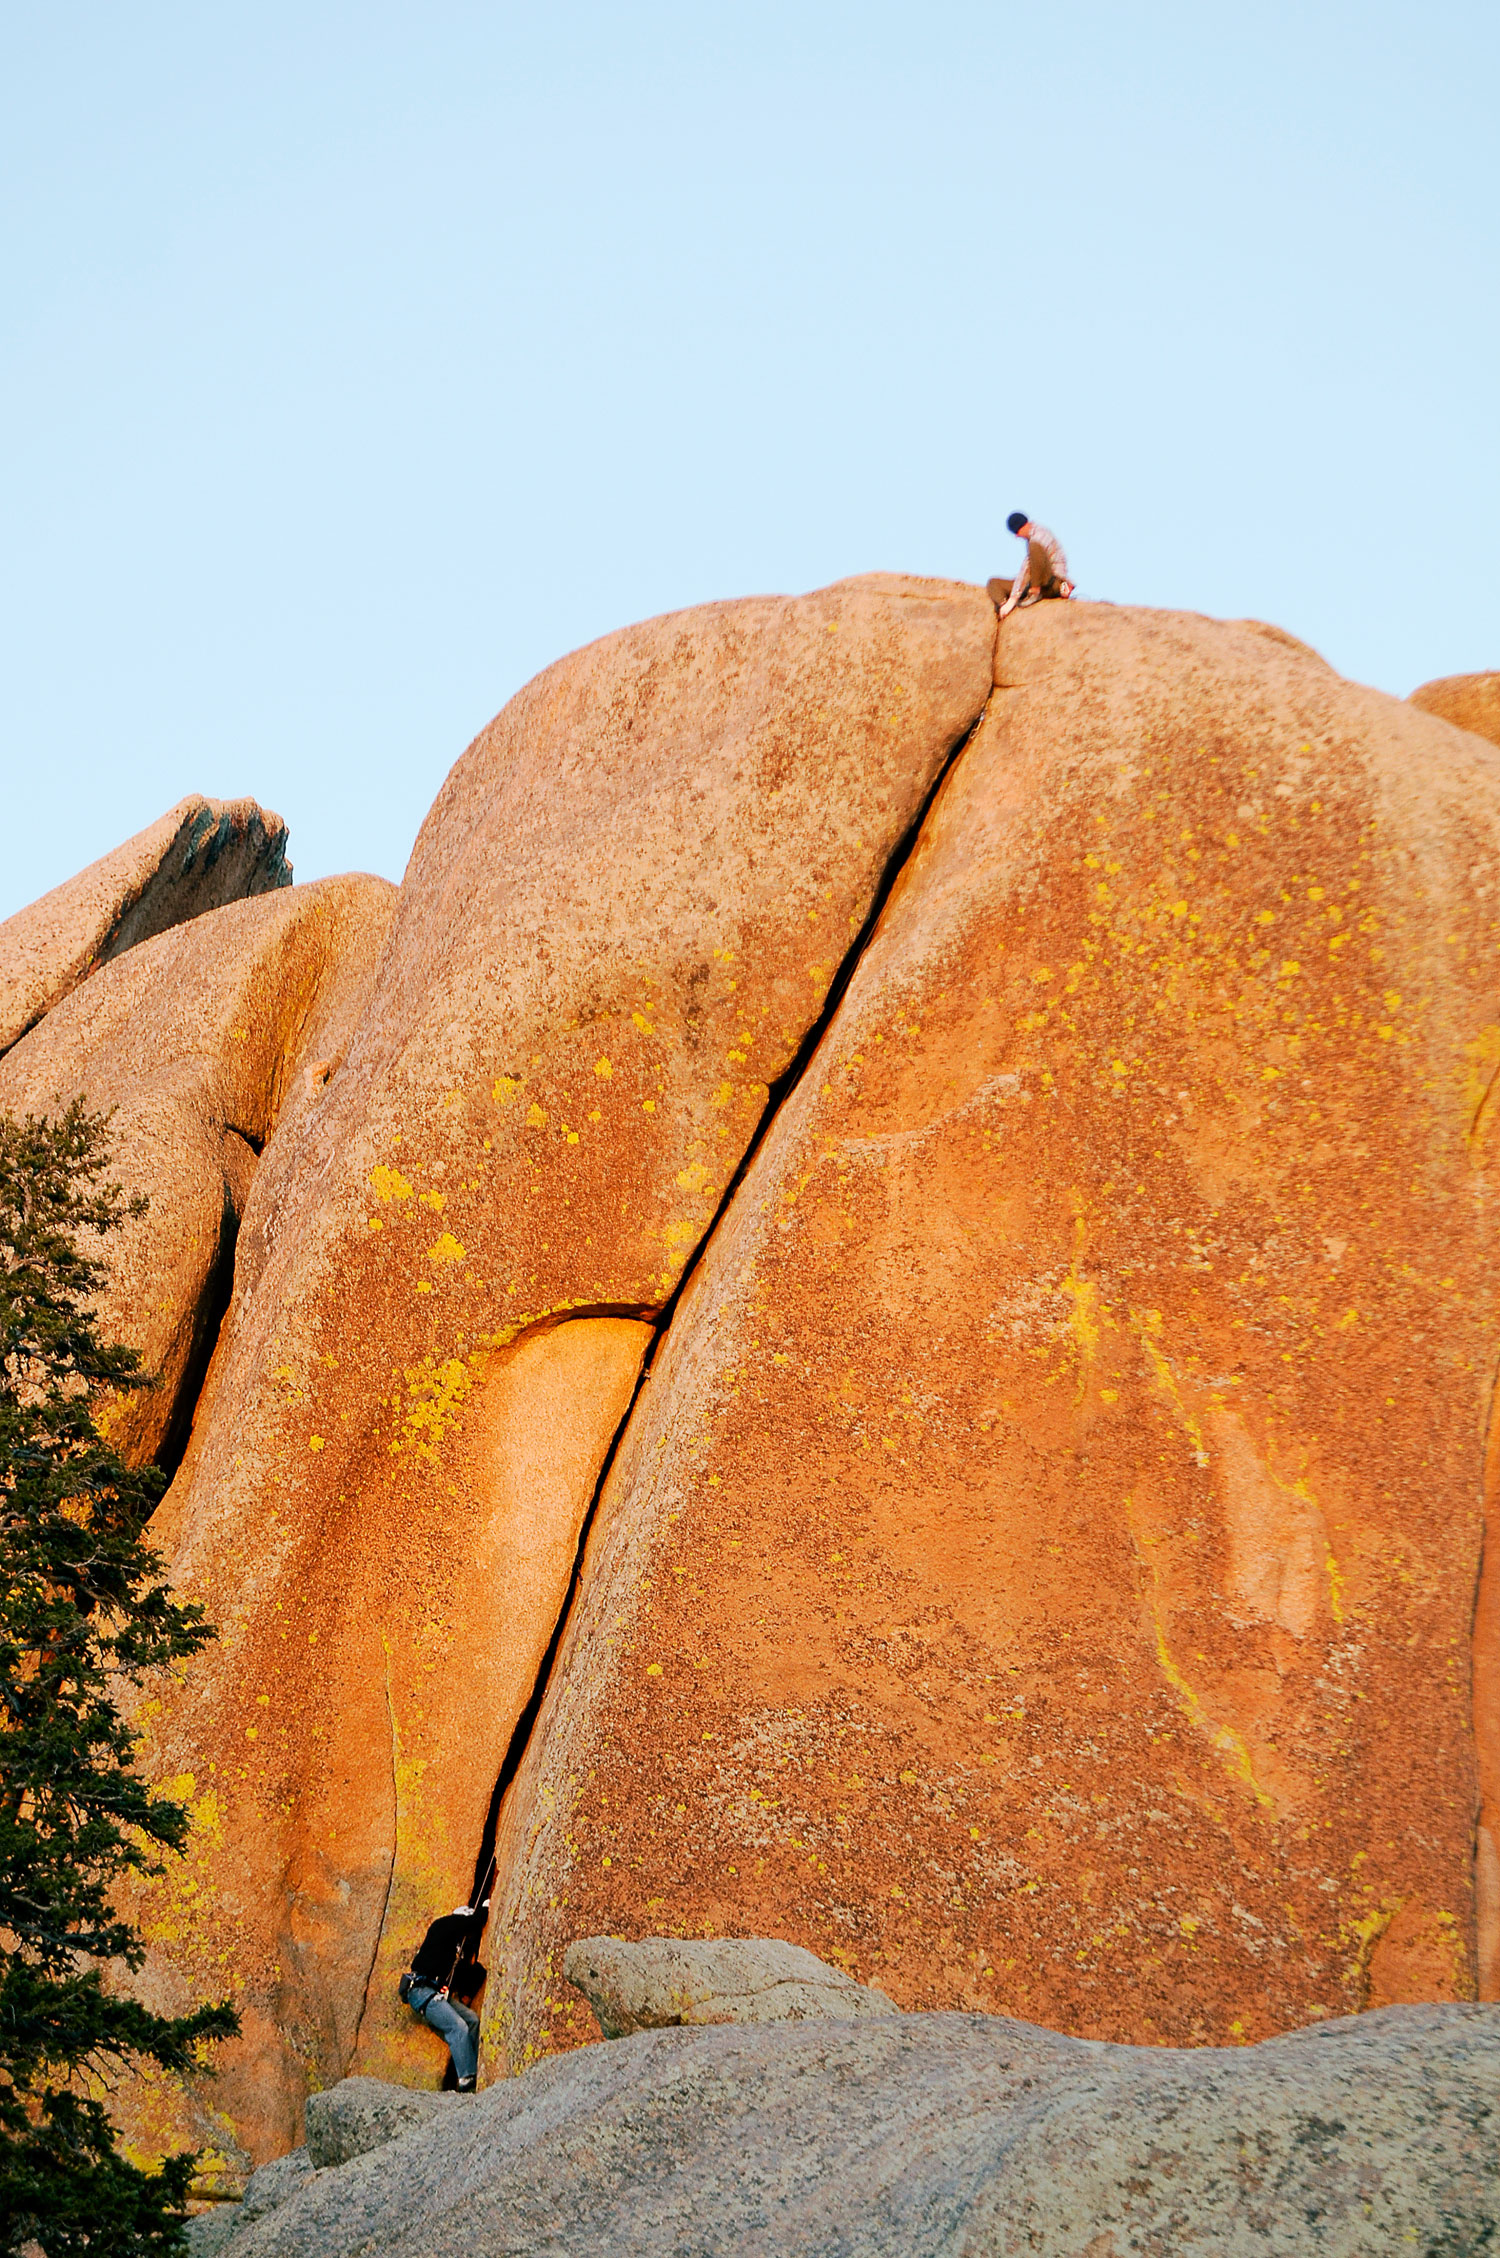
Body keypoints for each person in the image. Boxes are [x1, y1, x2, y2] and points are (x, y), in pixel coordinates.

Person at [399, 1899, 490, 2090]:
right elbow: (471, 1922)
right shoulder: (443, 1925)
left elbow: (466, 1975)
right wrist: (484, 1908)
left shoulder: (452, 1952)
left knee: (471, 2020)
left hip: (433, 1991)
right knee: (457, 2027)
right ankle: (466, 2078)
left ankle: (473, 2068)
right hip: (420, 1991)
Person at [988, 514, 1073, 617]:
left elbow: (1027, 567)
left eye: (1016, 532)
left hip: (1052, 581)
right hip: (1035, 582)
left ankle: (1035, 592)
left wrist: (1013, 598)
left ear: (1023, 526)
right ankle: (1004, 608)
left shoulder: (1039, 536)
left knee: (1034, 548)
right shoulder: (1031, 539)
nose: (1017, 536)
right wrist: (1007, 604)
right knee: (993, 583)